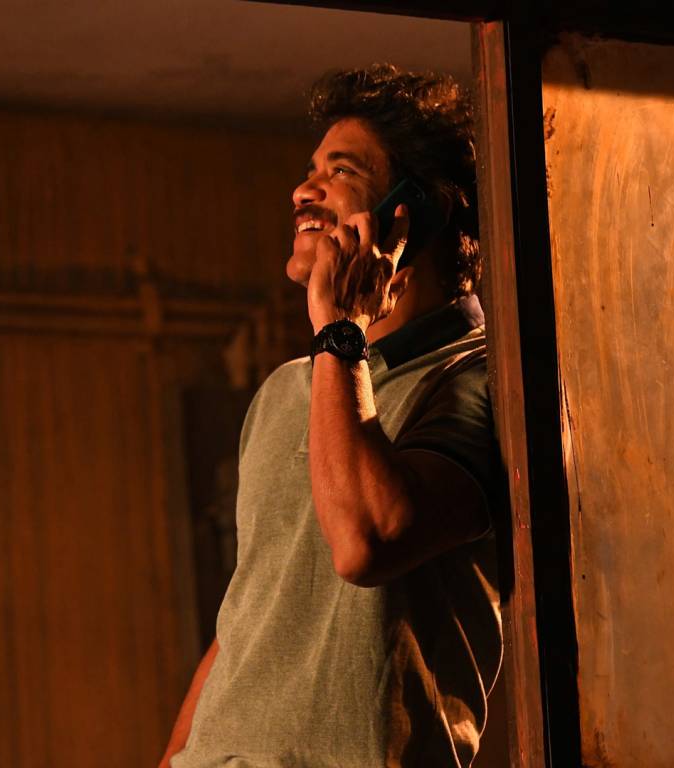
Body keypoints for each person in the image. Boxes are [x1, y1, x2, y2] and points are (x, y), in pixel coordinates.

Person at [159, 65, 502, 768]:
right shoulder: (289, 388)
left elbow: (364, 540)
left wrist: (341, 330)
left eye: (340, 170)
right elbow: (252, 611)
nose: (301, 191)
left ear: (412, 214)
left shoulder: (482, 376)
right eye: (309, 170)